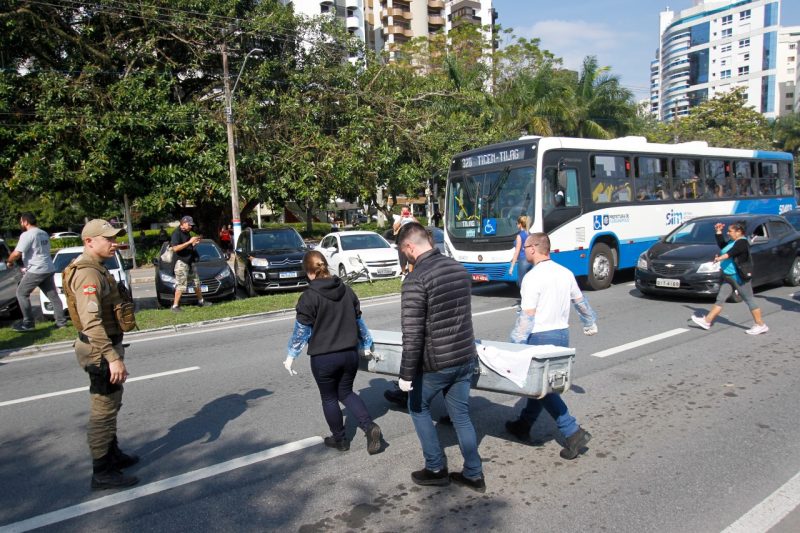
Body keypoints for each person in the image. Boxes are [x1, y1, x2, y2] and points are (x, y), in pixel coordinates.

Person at [396, 222, 485, 492]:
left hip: (436, 363)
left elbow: (412, 335)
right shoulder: (458, 268)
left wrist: (405, 375)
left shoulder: (416, 279)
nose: (405, 256)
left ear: (410, 247)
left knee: (417, 407)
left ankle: (435, 467)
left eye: (403, 251)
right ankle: (473, 473)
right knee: (461, 414)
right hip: (464, 356)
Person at [506, 232, 597, 460]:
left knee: (542, 388)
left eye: (526, 247)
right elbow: (580, 302)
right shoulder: (565, 273)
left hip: (539, 337)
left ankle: (572, 431)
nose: (523, 251)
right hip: (561, 336)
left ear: (534, 248)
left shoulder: (532, 277)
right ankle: (523, 425)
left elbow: (527, 316)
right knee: (540, 387)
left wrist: (515, 344)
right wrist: (589, 322)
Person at [283, 250, 383, 455]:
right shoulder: (347, 290)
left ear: (309, 272)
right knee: (345, 392)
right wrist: (366, 343)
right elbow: (359, 322)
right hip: (349, 354)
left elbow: (301, 331)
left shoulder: (309, 297)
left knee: (329, 398)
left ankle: (340, 440)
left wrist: (291, 356)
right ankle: (369, 426)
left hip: (324, 357)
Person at [66, 219, 139, 489]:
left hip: (104, 347)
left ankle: (113, 454)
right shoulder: (87, 273)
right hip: (99, 351)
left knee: (112, 404)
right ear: (89, 241)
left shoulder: (97, 268)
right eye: (108, 239)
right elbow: (91, 323)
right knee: (103, 411)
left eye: (114, 238)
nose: (114, 243)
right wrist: (112, 357)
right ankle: (102, 471)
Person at [691, 221, 767, 335]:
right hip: (728, 276)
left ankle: (760, 325)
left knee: (749, 300)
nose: (728, 233)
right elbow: (723, 245)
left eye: (730, 231)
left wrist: (719, 258)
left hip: (738, 277)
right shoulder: (733, 241)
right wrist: (718, 232)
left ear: (739, 232)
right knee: (720, 298)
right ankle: (707, 321)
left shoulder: (742, 242)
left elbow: (732, 253)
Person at [6, 212, 67, 331]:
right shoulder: (43, 233)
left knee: (21, 293)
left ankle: (28, 323)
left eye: (21, 222)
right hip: (48, 268)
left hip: (36, 269)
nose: (21, 224)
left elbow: (17, 253)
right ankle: (61, 323)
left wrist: (9, 261)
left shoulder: (27, 235)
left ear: (25, 222)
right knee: (53, 296)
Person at [170, 216, 211, 312]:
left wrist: (193, 243)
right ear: (183, 223)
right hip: (181, 263)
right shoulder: (176, 233)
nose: (190, 227)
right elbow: (175, 248)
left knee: (196, 282)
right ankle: (175, 306)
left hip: (189, 262)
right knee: (181, 284)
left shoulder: (186, 233)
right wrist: (189, 242)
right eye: (189, 225)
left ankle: (201, 301)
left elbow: (187, 246)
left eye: (191, 225)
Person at [508, 215, 532, 297]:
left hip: (523, 261)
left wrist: (512, 267)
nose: (516, 225)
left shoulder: (519, 236)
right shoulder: (529, 234)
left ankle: (525, 305)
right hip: (530, 261)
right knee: (529, 283)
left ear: (520, 224)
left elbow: (517, 251)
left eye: (517, 223)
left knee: (522, 284)